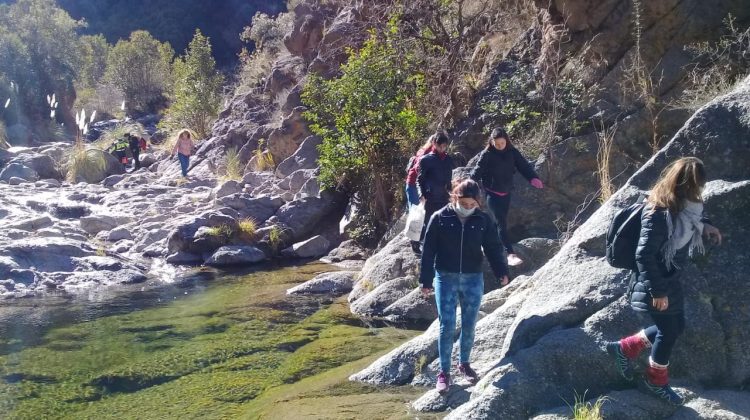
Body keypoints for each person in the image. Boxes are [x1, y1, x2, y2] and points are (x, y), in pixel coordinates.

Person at [605, 157, 722, 406]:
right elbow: (644, 255)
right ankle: (655, 381)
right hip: (653, 283)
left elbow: (694, 216)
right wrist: (658, 291)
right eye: (698, 186)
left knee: (675, 327)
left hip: (668, 278)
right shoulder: (658, 212)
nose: (700, 191)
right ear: (687, 185)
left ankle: (624, 348)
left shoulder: (684, 205)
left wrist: (707, 226)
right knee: (668, 331)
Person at [420, 178, 509, 393]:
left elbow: (493, 247)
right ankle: (444, 372)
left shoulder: (483, 220)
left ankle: (465, 364)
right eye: (464, 203)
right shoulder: (439, 217)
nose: (468, 208)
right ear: (455, 198)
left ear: (478, 202)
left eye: (472, 205)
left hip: (472, 278)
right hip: (445, 277)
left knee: (469, 323)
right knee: (446, 325)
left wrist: (502, 272)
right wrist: (425, 280)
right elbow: (428, 250)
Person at [470, 127, 544, 266]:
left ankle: (484, 241)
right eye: (496, 144)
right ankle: (510, 253)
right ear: (491, 142)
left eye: (502, 143)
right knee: (500, 223)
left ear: (506, 141)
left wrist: (533, 178)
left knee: (497, 222)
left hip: (506, 192)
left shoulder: (512, 152)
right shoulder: (487, 154)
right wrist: (470, 181)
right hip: (492, 193)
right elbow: (478, 170)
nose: (499, 146)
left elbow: (524, 166)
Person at [415, 131, 454, 254]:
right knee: (428, 223)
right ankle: (417, 242)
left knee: (443, 221)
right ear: (433, 144)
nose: (442, 149)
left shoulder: (448, 159)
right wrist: (421, 194)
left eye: (444, 146)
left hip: (443, 196)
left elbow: (449, 179)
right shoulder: (426, 160)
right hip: (429, 196)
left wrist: (451, 192)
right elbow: (419, 179)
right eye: (439, 146)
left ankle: (438, 248)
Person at [405, 139, 434, 251]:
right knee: (416, 213)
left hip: (415, 185)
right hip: (413, 185)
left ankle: (418, 240)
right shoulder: (426, 153)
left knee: (420, 213)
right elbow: (418, 172)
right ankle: (414, 242)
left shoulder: (424, 151)